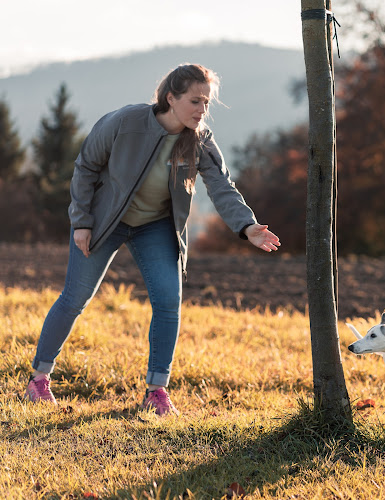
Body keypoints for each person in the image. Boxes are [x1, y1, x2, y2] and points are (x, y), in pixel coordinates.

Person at [25, 63, 280, 416]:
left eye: (206, 103)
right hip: (103, 221)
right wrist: (81, 221)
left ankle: (156, 391)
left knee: (168, 302)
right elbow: (86, 166)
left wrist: (248, 227)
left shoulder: (200, 139)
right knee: (75, 298)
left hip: (155, 226)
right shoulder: (125, 122)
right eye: (194, 101)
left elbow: (222, 186)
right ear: (170, 98)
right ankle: (39, 380)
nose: (201, 110)